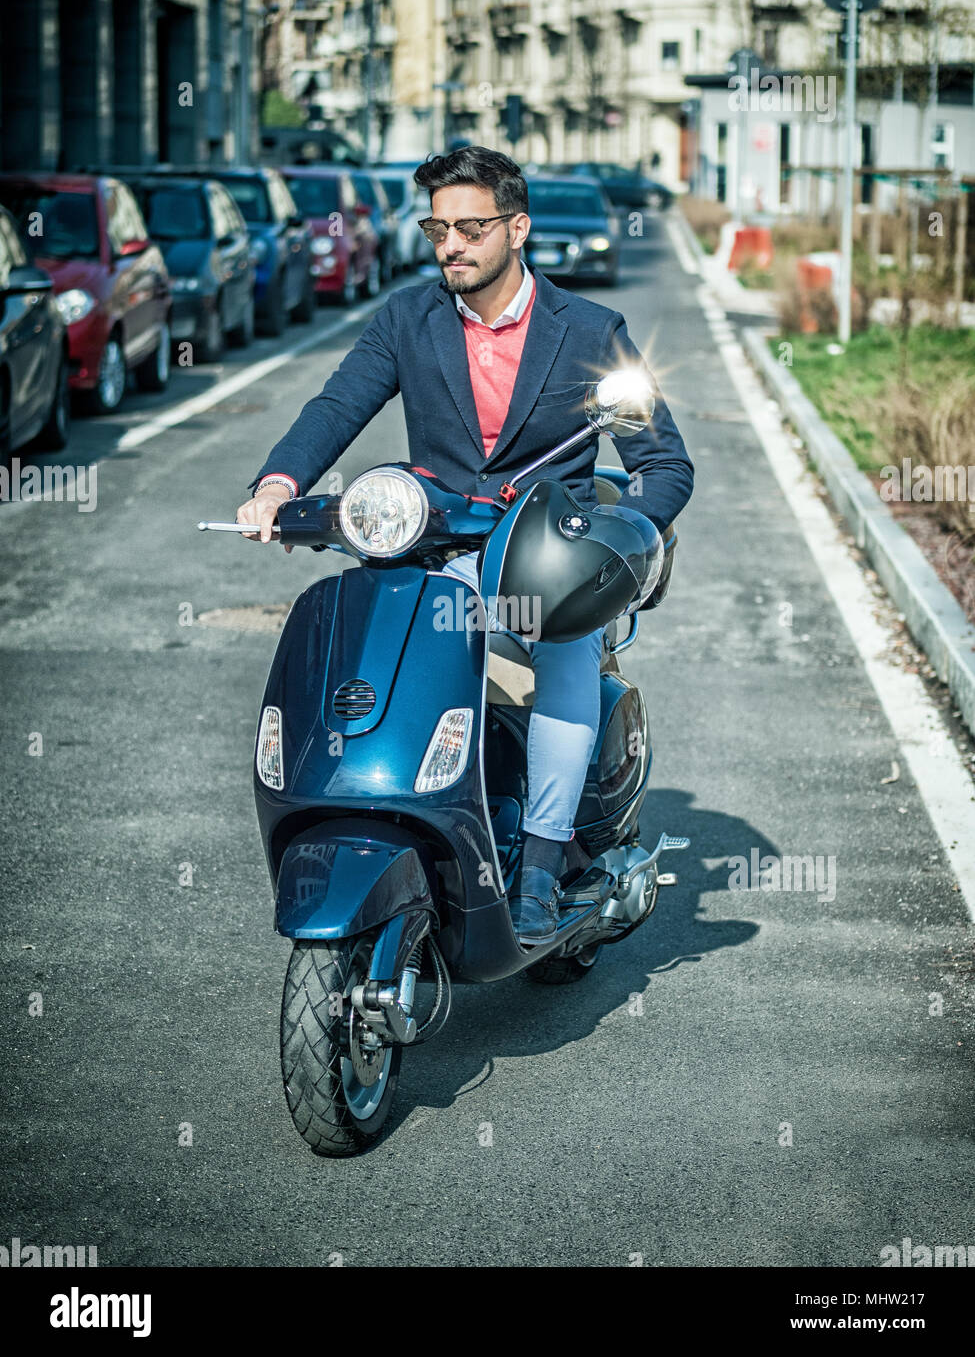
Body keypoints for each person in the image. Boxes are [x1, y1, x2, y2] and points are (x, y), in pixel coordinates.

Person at [236, 145, 693, 945]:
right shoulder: (406, 319)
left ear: (516, 229)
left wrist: (617, 544)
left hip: (549, 561)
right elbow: (337, 404)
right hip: (432, 549)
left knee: (562, 658)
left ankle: (543, 866)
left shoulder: (587, 328)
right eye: (437, 227)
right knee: (368, 648)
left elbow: (663, 464)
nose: (450, 244)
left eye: (470, 227)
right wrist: (279, 485)